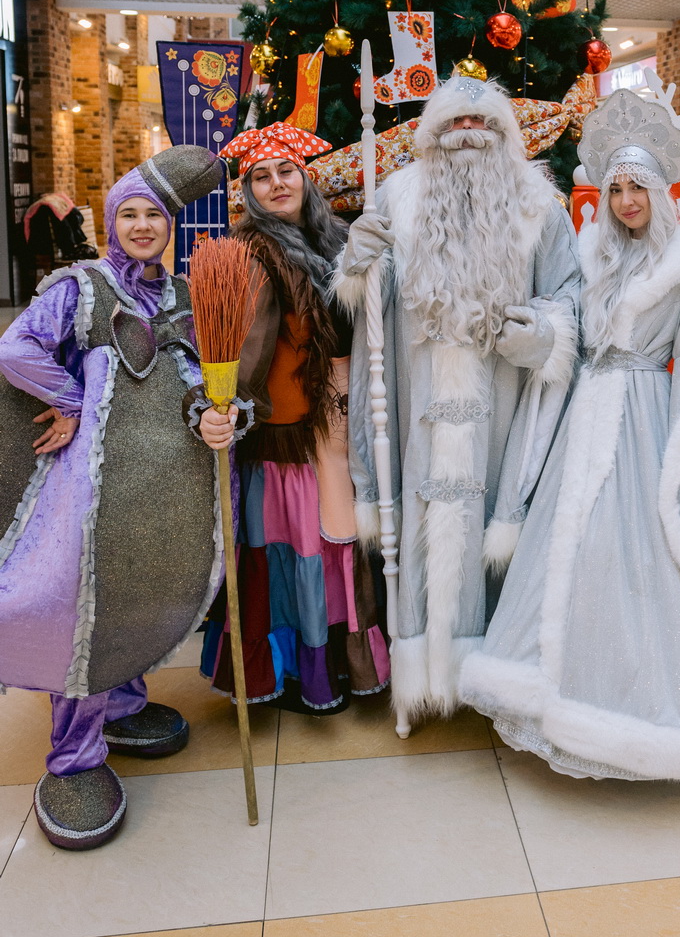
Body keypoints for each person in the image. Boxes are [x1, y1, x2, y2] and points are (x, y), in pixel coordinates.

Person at [459, 89, 680, 780]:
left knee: (643, 558)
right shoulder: (589, 253)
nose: (624, 201)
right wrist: (529, 333)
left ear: (659, 189)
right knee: (572, 551)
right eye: (615, 188)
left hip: (647, 421)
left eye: (637, 187)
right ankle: (557, 699)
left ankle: (647, 718)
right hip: (583, 414)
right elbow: (567, 329)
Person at [335, 74, 580, 729]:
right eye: (455, 125)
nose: (469, 135)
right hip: (417, 402)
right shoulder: (399, 196)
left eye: (483, 124)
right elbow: (371, 306)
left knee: (497, 532)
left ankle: (493, 679)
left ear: (504, 135)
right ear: (432, 136)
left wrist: (543, 335)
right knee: (421, 528)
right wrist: (357, 263)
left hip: (504, 404)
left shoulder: (540, 206)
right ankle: (424, 679)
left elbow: (568, 295)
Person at [0, 146, 225, 848]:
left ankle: (122, 706)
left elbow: (198, 382)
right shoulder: (82, 288)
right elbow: (16, 350)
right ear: (110, 222)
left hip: (160, 492)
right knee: (82, 609)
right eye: (128, 214)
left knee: (138, 593)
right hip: (87, 496)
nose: (142, 226)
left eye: (153, 215)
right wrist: (70, 399)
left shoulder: (181, 296)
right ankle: (73, 759)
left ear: (170, 226)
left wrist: (216, 416)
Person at [194, 123, 389, 715]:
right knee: (305, 549)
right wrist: (222, 405)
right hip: (291, 438)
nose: (277, 184)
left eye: (286, 172)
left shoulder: (336, 238)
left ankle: (341, 663)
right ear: (247, 191)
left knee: (343, 544)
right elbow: (245, 348)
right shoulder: (254, 253)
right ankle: (302, 673)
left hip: (346, 421)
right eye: (261, 177)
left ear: (306, 178)